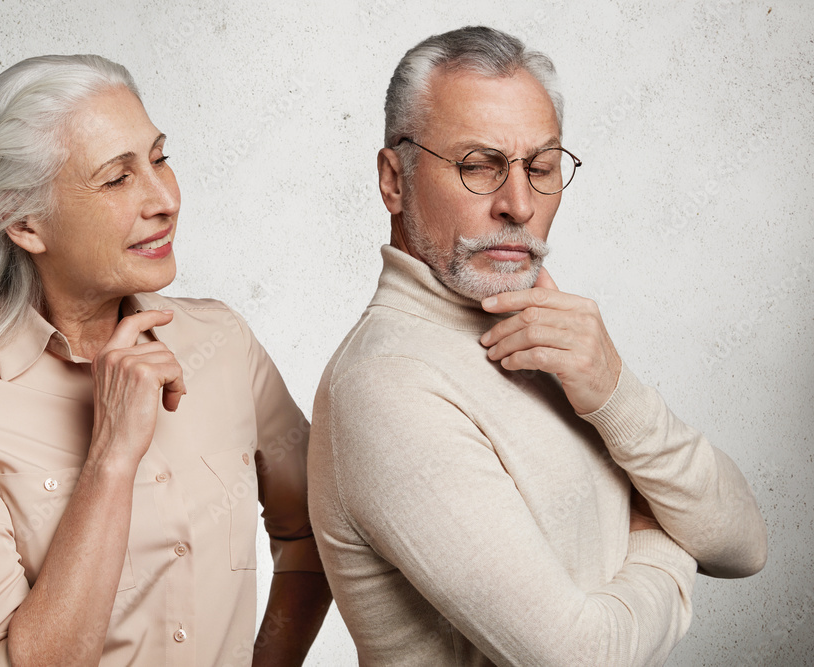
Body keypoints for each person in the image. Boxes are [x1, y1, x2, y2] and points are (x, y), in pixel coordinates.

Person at [308, 26, 767, 666]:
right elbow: (580, 658)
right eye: (478, 166)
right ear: (394, 180)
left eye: (542, 168)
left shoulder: (553, 333)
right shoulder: (386, 385)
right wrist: (660, 535)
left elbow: (745, 544)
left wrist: (615, 394)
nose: (519, 204)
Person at [0, 54, 331, 667]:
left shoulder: (222, 341)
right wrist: (112, 454)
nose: (164, 199)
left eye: (160, 159)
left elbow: (314, 531)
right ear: (24, 222)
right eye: (117, 179)